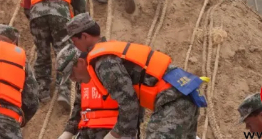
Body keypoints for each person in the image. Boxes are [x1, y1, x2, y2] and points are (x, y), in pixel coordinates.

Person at [57, 14, 204, 139]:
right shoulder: (109, 52)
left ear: (84, 36)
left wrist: (113, 136)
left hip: (173, 100)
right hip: (183, 92)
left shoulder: (104, 61)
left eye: (74, 41)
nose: (74, 46)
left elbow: (129, 105)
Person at [21, 0, 86, 108]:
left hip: (37, 15)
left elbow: (26, 4)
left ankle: (42, 91)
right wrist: (80, 19)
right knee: (63, 51)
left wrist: (33, 17)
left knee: (42, 54)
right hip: (60, 14)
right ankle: (63, 90)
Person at [57, 14, 114, 139]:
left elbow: (131, 103)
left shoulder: (110, 64)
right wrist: (68, 132)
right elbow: (79, 105)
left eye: (71, 73)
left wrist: (117, 134)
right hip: (86, 131)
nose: (72, 79)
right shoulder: (83, 75)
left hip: (110, 130)